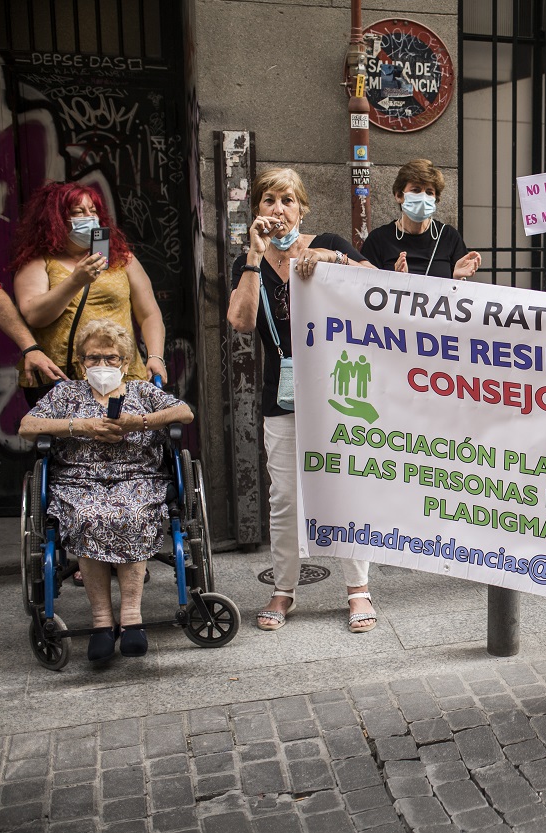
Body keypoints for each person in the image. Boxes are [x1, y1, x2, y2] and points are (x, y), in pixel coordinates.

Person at [226, 167, 380, 634]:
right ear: (257, 211)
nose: (278, 210)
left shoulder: (327, 241)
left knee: (348, 486)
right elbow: (241, 321)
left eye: (287, 200)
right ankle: (283, 588)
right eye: (269, 201)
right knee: (285, 495)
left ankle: (358, 589)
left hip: (339, 389)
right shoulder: (247, 261)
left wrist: (332, 256)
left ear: (303, 207)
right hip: (283, 393)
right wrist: (253, 259)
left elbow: (376, 283)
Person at [19, 319, 194, 662]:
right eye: (93, 358)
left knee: (134, 512)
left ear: (126, 362)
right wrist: (79, 426)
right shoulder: (66, 394)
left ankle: (131, 618)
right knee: (87, 514)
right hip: (78, 481)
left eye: (111, 358)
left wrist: (138, 422)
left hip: (138, 479)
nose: (102, 366)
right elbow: (28, 426)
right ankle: (101, 620)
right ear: (81, 363)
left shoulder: (142, 392)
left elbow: (184, 412)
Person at [11, 181, 166, 404]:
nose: (89, 217)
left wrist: (155, 357)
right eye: (78, 212)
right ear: (55, 219)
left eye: (93, 211)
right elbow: (35, 316)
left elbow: (149, 313)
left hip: (120, 373)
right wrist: (76, 280)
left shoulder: (122, 259)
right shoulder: (39, 262)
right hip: (61, 379)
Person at [360, 159, 482, 279]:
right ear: (398, 195)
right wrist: (395, 280)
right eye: (416, 190)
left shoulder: (448, 237)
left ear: (436, 199)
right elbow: (366, 286)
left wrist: (457, 279)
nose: (423, 198)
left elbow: (458, 294)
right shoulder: (379, 239)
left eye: (429, 192)